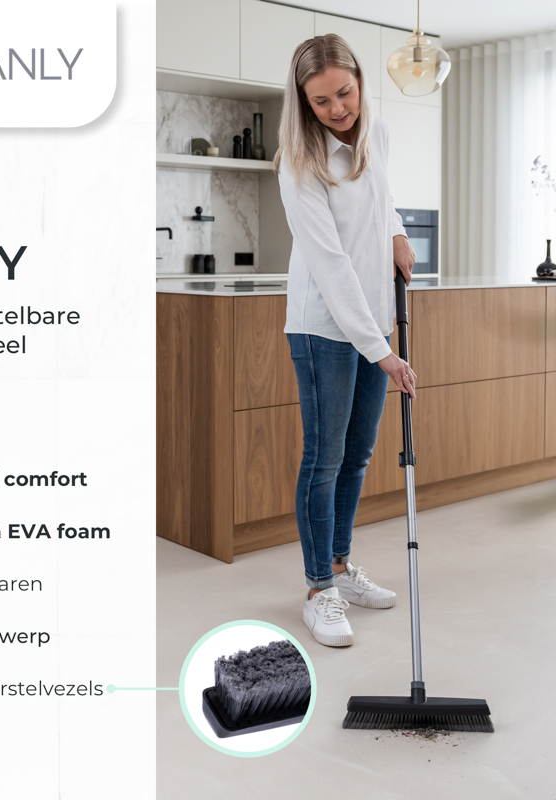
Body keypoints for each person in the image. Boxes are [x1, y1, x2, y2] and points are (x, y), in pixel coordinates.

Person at [274, 34, 417, 647]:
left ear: (359, 81)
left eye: (346, 92)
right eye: (321, 100)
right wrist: (379, 349)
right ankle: (317, 589)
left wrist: (398, 233)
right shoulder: (298, 162)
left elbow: (382, 201)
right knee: (325, 458)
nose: (338, 108)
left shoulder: (375, 133)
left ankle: (338, 566)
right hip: (324, 327)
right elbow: (329, 264)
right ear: (303, 102)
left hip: (372, 319)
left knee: (357, 455)